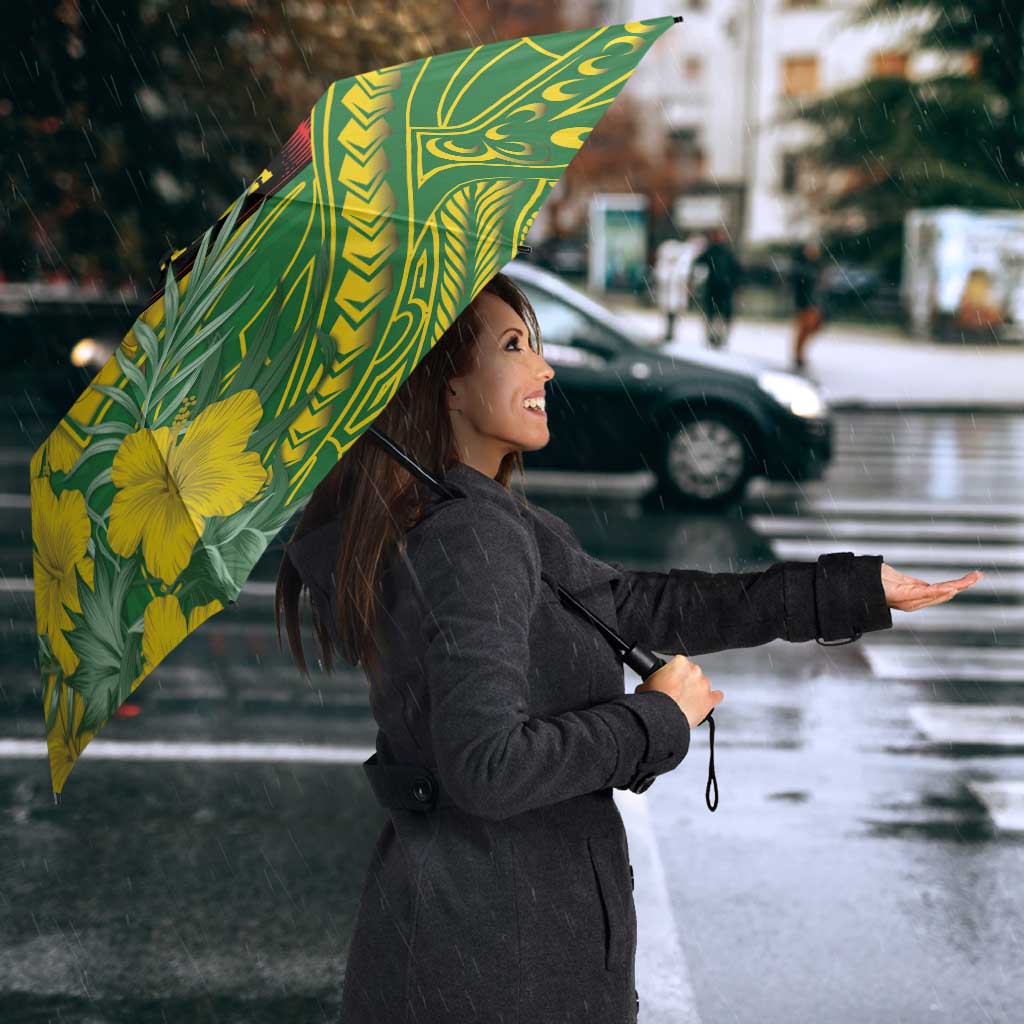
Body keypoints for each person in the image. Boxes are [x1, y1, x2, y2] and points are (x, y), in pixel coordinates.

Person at [276, 271, 980, 1024]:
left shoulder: (480, 518)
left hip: (482, 942)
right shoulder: (470, 536)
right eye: (514, 346)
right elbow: (487, 767)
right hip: (497, 963)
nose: (544, 368)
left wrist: (850, 590)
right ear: (446, 385)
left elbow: (642, 605)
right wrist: (655, 719)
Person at [692, 226, 742, 349]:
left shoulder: (725, 252)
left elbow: (736, 270)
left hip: (723, 288)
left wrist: (735, 284)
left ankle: (719, 337)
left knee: (720, 315)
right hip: (715, 288)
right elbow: (698, 264)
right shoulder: (712, 251)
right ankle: (713, 337)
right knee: (713, 314)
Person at [790, 239, 826, 371]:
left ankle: (800, 354)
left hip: (814, 303)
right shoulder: (802, 267)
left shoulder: (817, 266)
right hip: (805, 303)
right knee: (804, 329)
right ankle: (798, 355)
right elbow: (799, 286)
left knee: (812, 328)